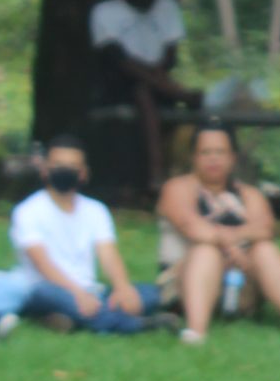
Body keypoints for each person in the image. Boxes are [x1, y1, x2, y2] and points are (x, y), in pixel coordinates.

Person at [156, 122, 280, 348]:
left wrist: (227, 240)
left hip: (241, 283)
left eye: (220, 152)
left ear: (233, 157)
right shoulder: (176, 188)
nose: (213, 159)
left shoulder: (249, 194)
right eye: (205, 152)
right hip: (182, 285)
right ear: (193, 157)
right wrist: (233, 246)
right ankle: (196, 331)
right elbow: (194, 228)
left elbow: (265, 229)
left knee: (265, 249)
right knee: (206, 251)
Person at [10, 137, 167, 332]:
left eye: (72, 166)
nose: (65, 171)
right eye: (58, 165)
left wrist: (123, 288)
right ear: (44, 170)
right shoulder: (27, 211)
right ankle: (135, 324)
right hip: (46, 288)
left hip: (91, 290)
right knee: (52, 296)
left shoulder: (96, 210)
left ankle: (67, 319)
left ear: (84, 173)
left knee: (150, 293)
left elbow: (108, 254)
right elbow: (42, 264)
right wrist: (77, 294)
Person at [88, 0, 200, 193]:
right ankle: (155, 172)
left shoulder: (166, 6)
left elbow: (171, 54)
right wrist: (171, 89)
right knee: (141, 90)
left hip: (160, 79)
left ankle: (176, 172)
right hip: (119, 84)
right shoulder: (105, 12)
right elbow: (118, 60)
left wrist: (159, 76)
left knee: (148, 90)